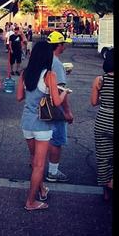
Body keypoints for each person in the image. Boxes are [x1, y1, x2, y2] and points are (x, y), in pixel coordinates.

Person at [17, 41, 69, 211]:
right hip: (42, 123)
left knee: (34, 160)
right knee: (39, 165)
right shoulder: (49, 75)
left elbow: (19, 97)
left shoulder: (25, 73)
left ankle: (42, 189)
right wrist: (64, 92)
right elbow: (56, 102)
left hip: (26, 122)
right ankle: (31, 202)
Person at [45, 31, 73, 183]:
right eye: (63, 44)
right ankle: (53, 172)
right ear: (59, 45)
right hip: (55, 108)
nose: (65, 46)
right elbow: (61, 91)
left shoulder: (45, 59)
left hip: (43, 105)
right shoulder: (57, 63)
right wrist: (67, 112)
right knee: (57, 139)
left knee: (44, 137)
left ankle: (36, 163)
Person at [90, 48, 114, 201]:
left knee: (103, 158)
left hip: (103, 121)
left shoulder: (100, 79)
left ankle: (106, 192)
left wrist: (104, 100)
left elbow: (93, 102)